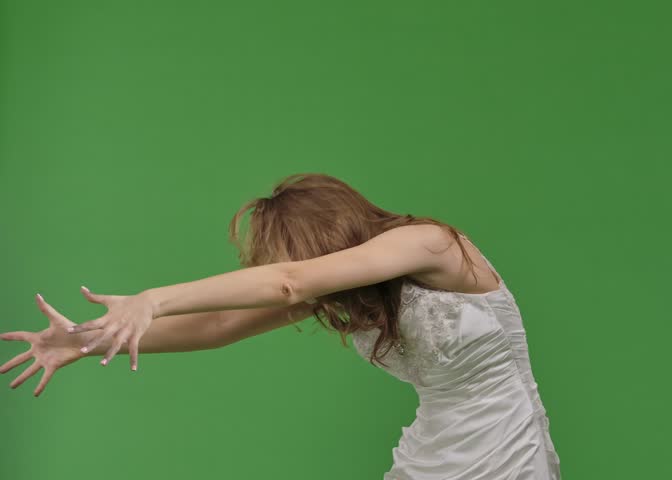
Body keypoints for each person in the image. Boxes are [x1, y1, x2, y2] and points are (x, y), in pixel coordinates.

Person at [0, 172, 562, 479]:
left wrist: (153, 298)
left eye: (302, 253)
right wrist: (85, 338)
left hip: (505, 448)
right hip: (428, 456)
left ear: (339, 229)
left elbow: (291, 281)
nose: (302, 270)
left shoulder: (431, 243)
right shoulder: (337, 287)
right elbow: (219, 325)